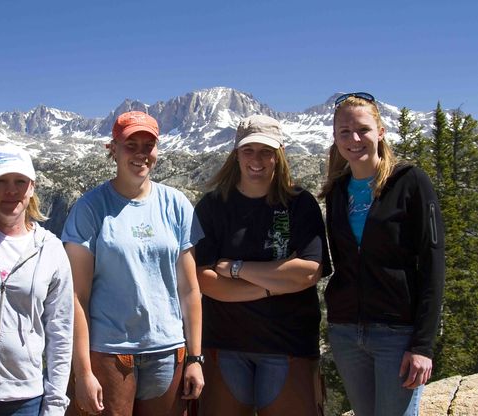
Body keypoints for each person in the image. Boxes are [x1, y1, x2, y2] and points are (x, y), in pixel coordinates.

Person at [61, 111, 204, 416]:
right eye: (131, 145)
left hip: (168, 351)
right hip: (109, 353)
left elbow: (190, 290)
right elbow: (76, 297)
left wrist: (195, 358)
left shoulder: (176, 204)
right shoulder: (90, 208)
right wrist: (83, 371)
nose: (141, 154)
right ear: (113, 149)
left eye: (148, 145)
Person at [194, 115, 331, 416]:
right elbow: (205, 280)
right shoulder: (213, 206)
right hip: (225, 345)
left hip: (289, 346)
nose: (257, 160)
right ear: (236, 153)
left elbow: (308, 272)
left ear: (279, 154)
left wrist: (236, 269)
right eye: (248, 150)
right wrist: (274, 285)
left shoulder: (299, 203)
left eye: (266, 151)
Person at [320, 92, 445, 416]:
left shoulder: (410, 182)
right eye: (344, 132)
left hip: (397, 334)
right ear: (335, 138)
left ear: (380, 131)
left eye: (362, 129)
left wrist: (422, 345)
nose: (354, 138)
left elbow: (433, 266)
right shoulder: (337, 191)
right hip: (347, 332)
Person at [0, 144, 74, 415]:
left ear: (32, 187)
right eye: (0, 181)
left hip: (25, 397)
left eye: (19, 181)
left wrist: (55, 405)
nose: (10, 190)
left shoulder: (50, 248)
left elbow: (60, 332)